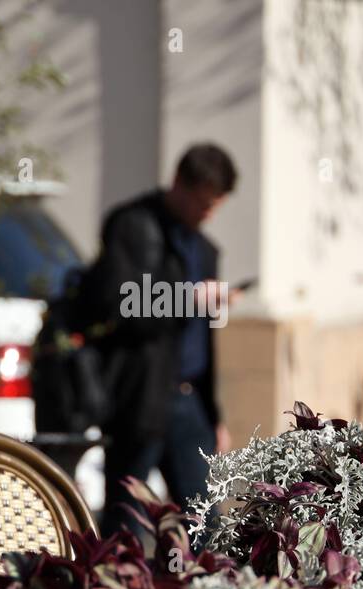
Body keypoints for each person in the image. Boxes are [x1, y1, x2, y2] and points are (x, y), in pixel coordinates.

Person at [86, 143, 240, 536]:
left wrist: (214, 414)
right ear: (179, 184)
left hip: (190, 402)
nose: (206, 215)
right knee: (128, 523)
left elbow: (202, 341)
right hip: (140, 397)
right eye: (202, 204)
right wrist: (187, 297)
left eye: (214, 207)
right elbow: (119, 303)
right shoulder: (132, 226)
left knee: (204, 524)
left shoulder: (203, 249)